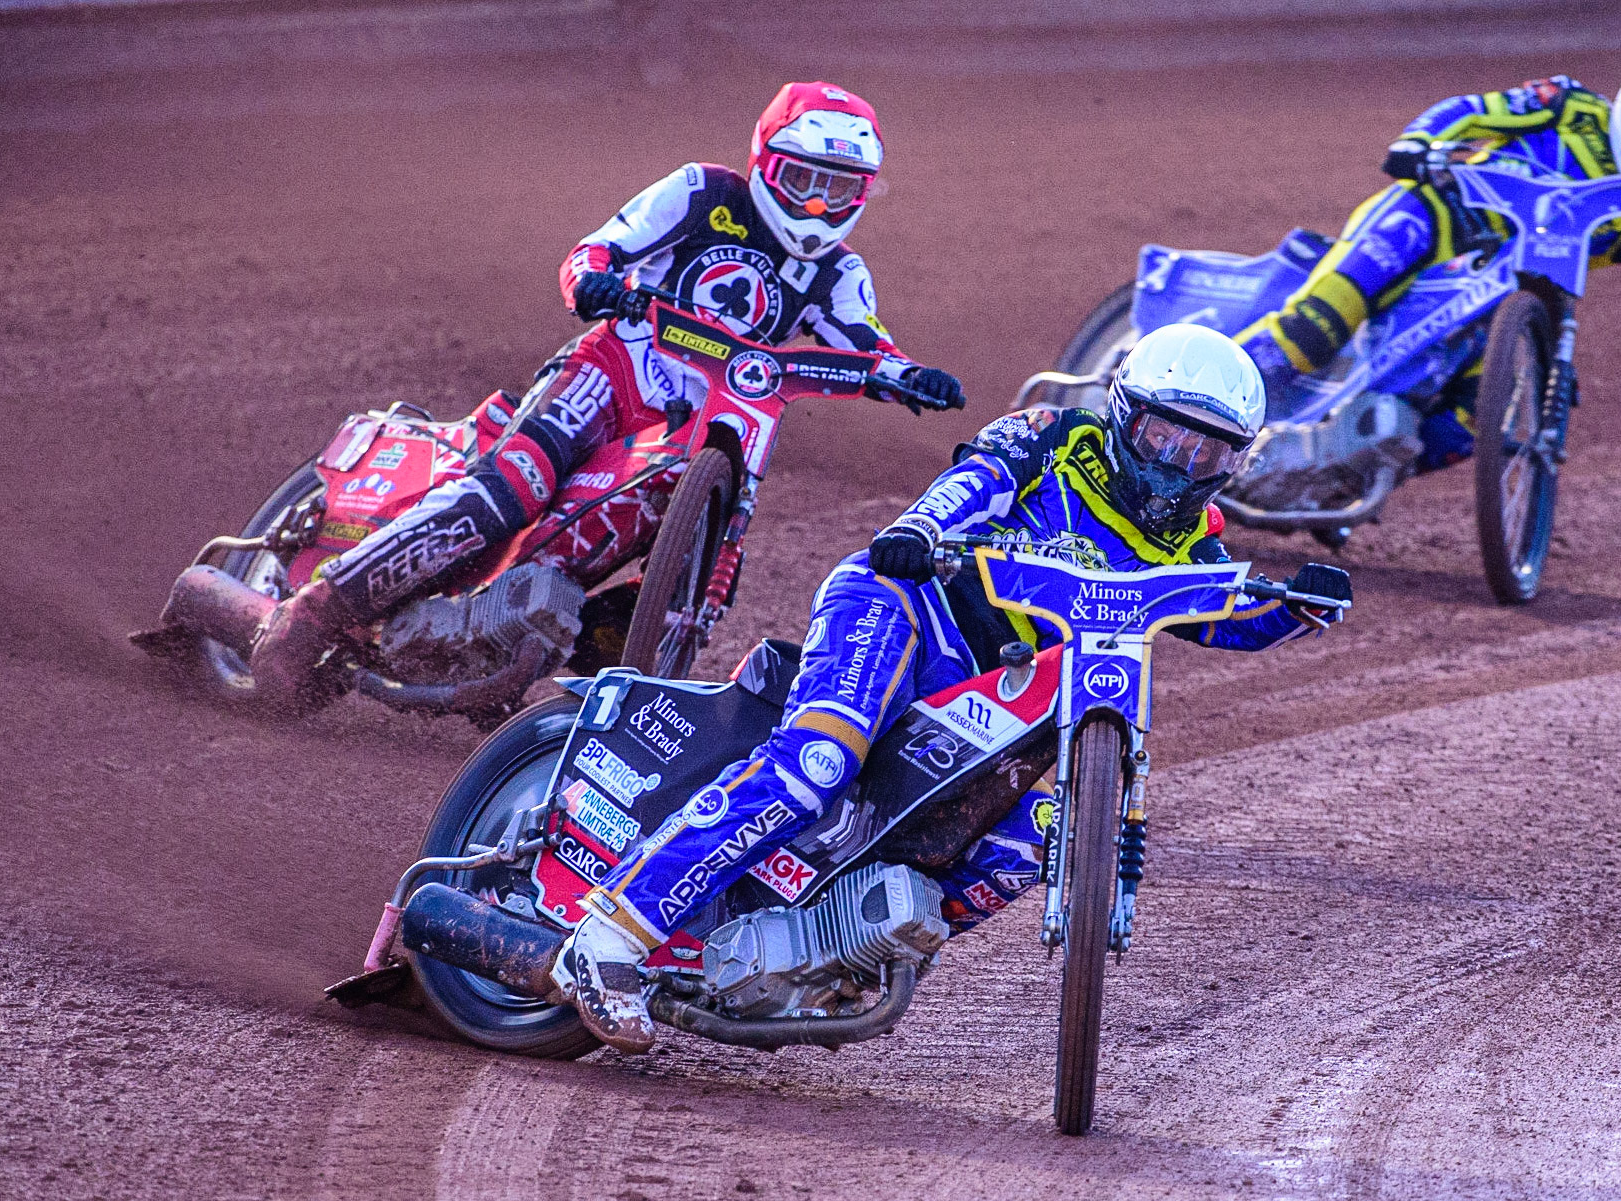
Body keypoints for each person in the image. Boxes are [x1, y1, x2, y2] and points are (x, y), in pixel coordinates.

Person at [548, 324, 1353, 1053]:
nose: (1178, 464)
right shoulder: (1051, 434)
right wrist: (918, 532)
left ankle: (849, 952)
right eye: (1162, 436)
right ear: (1121, 413)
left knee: (1047, 833)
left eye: (1205, 452)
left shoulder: (1193, 540)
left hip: (999, 698)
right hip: (904, 605)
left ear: (1233, 463)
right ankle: (611, 935)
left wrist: (1299, 608)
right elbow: (973, 483)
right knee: (819, 762)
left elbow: (1223, 616)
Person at [244, 81, 965, 700]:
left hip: (701, 421)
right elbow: (597, 249)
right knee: (512, 491)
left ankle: (547, 656)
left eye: (836, 190)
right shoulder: (701, 192)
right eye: (801, 181)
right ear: (765, 162)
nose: (815, 207)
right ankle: (313, 612)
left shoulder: (838, 274)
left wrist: (908, 378)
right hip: (615, 368)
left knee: (661, 542)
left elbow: (866, 343)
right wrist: (592, 283)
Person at [1235, 37, 1621, 469]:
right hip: (1435, 217)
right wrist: (1418, 141)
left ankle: (1346, 477)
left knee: (1468, 424)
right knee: (1318, 325)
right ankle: (1203, 413)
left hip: (1499, 300)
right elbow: (1472, 111)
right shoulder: (1568, 105)